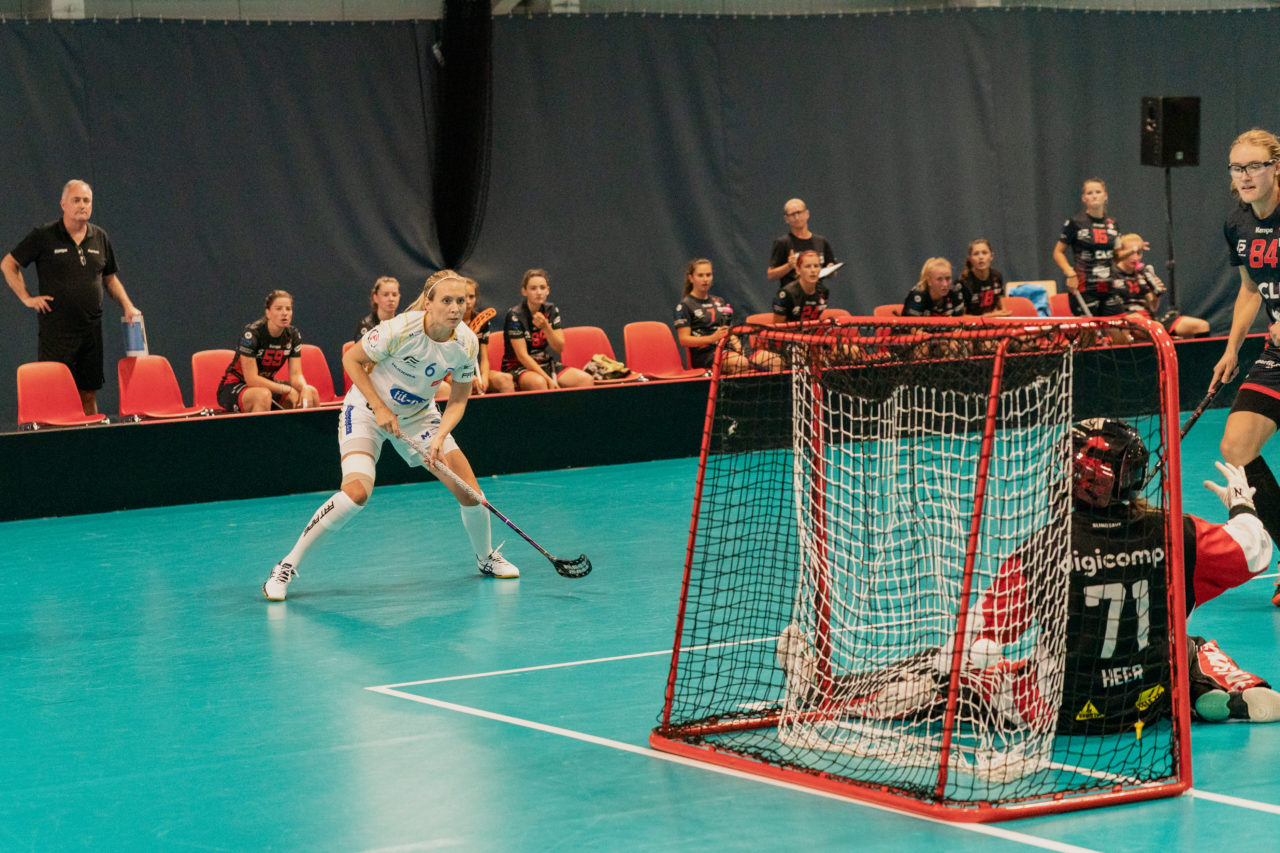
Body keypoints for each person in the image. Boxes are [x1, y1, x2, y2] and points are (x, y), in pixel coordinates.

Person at [777, 418, 1280, 733]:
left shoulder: (1043, 549)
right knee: (1191, 644)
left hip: (1061, 709)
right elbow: (1256, 552)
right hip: (1142, 703)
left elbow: (976, 644)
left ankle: (826, 694)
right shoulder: (1178, 532)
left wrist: (950, 670)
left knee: (945, 674)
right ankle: (1226, 692)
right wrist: (1241, 504)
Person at [263, 270, 518, 600]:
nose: (455, 308)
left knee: (470, 492)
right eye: (446, 300)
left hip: (419, 418)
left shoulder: (465, 342)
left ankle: (486, 558)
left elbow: (458, 399)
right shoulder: (400, 329)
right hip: (367, 410)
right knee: (356, 493)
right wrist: (380, 408)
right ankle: (286, 565)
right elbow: (351, 360)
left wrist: (440, 436)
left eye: (461, 301)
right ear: (428, 303)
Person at [2, 179, 142, 415]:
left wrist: (128, 305)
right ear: (63, 205)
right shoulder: (44, 236)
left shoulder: (100, 238)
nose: (82, 205)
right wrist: (27, 298)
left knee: (88, 393)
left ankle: (90, 447)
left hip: (91, 331)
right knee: (54, 393)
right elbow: (8, 264)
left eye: (86, 200)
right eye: (76, 200)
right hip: (57, 333)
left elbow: (110, 279)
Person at [1212, 128, 1280, 607]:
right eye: (1239, 168)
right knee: (1237, 446)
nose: (1246, 175)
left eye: (1256, 165)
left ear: (1276, 167)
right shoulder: (1238, 223)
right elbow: (1250, 287)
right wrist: (1232, 348)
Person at [216, 290, 319, 413]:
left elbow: (296, 375)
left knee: (310, 393)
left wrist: (304, 388)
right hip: (233, 386)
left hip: (266, 386)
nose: (284, 313)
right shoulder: (252, 333)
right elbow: (252, 379)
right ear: (268, 313)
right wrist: (287, 389)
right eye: (279, 309)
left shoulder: (293, 335)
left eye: (288, 309)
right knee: (262, 395)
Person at [674, 258, 779, 374]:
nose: (705, 279)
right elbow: (684, 340)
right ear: (691, 278)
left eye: (708, 275)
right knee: (740, 363)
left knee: (774, 361)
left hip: (729, 349)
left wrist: (736, 344)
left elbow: (728, 330)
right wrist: (712, 338)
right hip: (707, 354)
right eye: (700, 275)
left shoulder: (719, 301)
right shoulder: (685, 305)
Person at [501, 268, 594, 391]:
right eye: (533, 288)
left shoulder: (551, 310)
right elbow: (522, 356)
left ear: (548, 290)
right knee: (540, 383)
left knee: (586, 379)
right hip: (517, 366)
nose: (539, 292)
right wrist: (548, 379)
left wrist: (546, 327)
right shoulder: (515, 315)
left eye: (542, 288)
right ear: (524, 291)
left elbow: (559, 347)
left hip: (544, 364)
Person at [1052, 178, 1126, 319]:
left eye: (1098, 192)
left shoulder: (1113, 224)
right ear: (1084, 198)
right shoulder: (1075, 223)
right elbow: (1058, 252)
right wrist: (1070, 272)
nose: (1094, 195)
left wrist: (1132, 251)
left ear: (1105, 196)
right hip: (1085, 287)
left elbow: (1116, 256)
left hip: (1109, 287)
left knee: (1120, 334)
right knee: (1089, 335)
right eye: (1090, 193)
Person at [1113, 233, 1209, 339]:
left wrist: (1156, 292)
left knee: (1201, 326)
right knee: (1149, 325)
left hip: (1151, 321)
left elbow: (1153, 307)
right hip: (1127, 322)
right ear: (1120, 253)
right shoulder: (1112, 274)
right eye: (1131, 252)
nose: (1135, 257)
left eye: (1139, 253)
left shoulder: (1144, 273)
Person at [767, 198, 839, 287]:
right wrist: (789, 266)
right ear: (786, 219)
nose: (797, 217)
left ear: (807, 214)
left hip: (816, 296)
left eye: (799, 213)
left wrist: (831, 270)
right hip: (792, 297)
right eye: (792, 214)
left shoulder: (821, 242)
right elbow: (771, 275)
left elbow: (832, 272)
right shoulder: (783, 243)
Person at [462, 277, 513, 394]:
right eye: (464, 297)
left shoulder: (482, 321)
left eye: (471, 297)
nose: (468, 301)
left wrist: (484, 377)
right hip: (452, 372)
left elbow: (484, 358)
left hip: (476, 371)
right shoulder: (450, 321)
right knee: (465, 383)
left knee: (506, 379)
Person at [773, 251, 831, 323]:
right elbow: (777, 327)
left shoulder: (823, 291)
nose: (813, 270)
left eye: (816, 266)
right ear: (798, 270)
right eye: (807, 266)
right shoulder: (786, 294)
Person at [956, 239, 1009, 317]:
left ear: (991, 256)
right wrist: (988, 317)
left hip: (990, 324)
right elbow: (961, 317)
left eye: (984, 253)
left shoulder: (997, 277)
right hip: (970, 327)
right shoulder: (963, 283)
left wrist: (1005, 313)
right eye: (976, 254)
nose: (981, 257)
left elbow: (1000, 305)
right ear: (970, 259)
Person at [902, 257, 966, 318]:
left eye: (948, 278)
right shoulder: (917, 296)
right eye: (939, 279)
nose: (945, 284)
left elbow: (960, 322)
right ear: (929, 281)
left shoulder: (955, 294)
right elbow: (911, 326)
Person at [354, 276, 400, 341]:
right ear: (375, 298)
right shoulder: (366, 326)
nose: (391, 299)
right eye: (385, 295)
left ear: (399, 297)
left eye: (394, 295)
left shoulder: (403, 324)